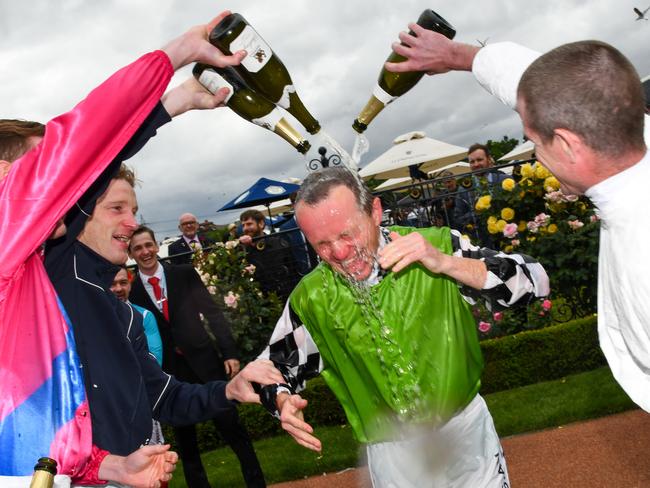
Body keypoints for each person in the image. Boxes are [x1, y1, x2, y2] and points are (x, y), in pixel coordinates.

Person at [0, 10, 284, 487]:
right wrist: (175, 59)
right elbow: (87, 143)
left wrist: (104, 467)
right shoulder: (34, 261)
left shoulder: (50, 290)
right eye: (40, 172)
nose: (132, 225)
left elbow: (32, 426)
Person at [385, 28, 650, 412]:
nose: (536, 156)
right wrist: (458, 55)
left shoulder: (639, 261)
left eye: (535, 142)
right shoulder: (626, 125)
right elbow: (540, 80)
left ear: (568, 144)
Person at [256, 167, 550, 486]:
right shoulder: (311, 298)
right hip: (393, 458)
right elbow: (271, 371)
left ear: (376, 212)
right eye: (321, 245)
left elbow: (535, 282)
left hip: (466, 433)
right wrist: (282, 402)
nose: (339, 253)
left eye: (347, 234)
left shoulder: (434, 245)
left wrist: (447, 263)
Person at [129, 226, 266, 488]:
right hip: (169, 374)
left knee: (233, 430)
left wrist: (229, 353)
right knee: (187, 445)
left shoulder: (183, 274)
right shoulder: (133, 292)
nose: (145, 252)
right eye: (138, 248)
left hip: (206, 364)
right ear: (132, 253)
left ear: (157, 246)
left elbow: (212, 313)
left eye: (148, 245)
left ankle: (257, 483)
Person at [239, 209, 297, 300]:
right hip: (262, 302)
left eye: (249, 224)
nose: (245, 228)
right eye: (243, 225)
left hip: (287, 296)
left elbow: (293, 269)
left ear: (261, 224)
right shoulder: (244, 252)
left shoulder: (278, 244)